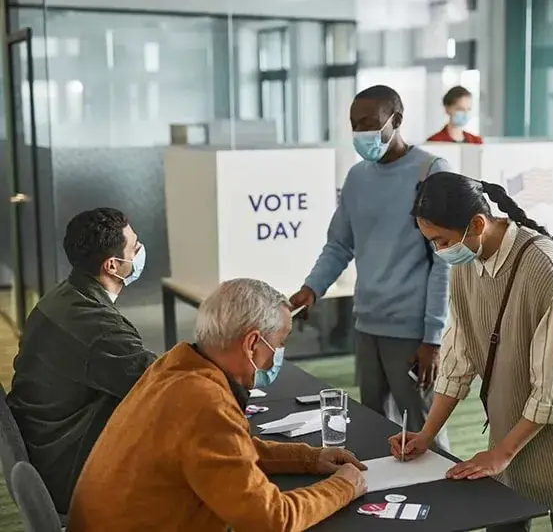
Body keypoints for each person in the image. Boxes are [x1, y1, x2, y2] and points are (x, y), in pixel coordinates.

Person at [389, 172, 553, 532]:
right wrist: (425, 435)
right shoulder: (465, 263)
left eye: (441, 240)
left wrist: (501, 453)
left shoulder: (546, 268)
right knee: (501, 521)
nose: (439, 252)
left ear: (477, 224)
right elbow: (457, 361)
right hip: (515, 422)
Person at [68, 278, 367, 532]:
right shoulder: (206, 403)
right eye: (279, 342)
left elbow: (228, 452)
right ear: (251, 344)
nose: (279, 353)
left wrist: (309, 459)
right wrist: (343, 487)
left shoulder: (174, 367)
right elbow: (272, 520)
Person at [290, 85, 450, 447]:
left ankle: (442, 498)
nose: (360, 133)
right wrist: (312, 289)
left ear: (396, 120)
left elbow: (444, 263)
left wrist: (433, 338)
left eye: (368, 123)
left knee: (425, 431)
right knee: (375, 426)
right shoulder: (358, 177)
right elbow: (339, 244)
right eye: (354, 124)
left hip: (412, 332)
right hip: (367, 325)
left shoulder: (431, 171)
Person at [7, 207, 155, 514]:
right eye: (135, 247)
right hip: (69, 472)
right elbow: (164, 383)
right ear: (113, 265)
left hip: (45, 448)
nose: (141, 251)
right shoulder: (99, 329)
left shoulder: (63, 296)